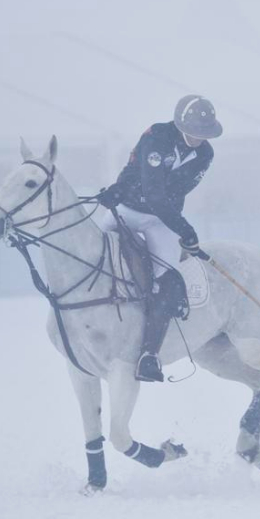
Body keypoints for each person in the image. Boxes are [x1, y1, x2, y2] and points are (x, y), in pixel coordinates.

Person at [96, 94, 222, 382]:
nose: (200, 138)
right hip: (127, 209)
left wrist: (180, 228)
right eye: (195, 132)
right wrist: (117, 189)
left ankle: (149, 355)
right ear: (180, 124)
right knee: (97, 258)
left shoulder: (205, 155)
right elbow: (151, 189)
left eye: (205, 134)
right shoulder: (157, 137)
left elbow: (174, 193)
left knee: (163, 278)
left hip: (160, 220)